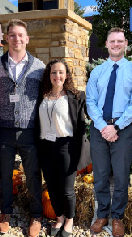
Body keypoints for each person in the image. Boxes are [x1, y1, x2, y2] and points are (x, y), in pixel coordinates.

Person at [0, 19, 45, 237]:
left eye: (21, 35)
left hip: (29, 130)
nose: (16, 39)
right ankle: (5, 213)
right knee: (3, 174)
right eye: (12, 35)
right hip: (3, 129)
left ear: (27, 39)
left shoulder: (39, 67)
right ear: (6, 39)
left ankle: (36, 215)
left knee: (32, 175)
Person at [86, 27, 132, 237]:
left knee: (121, 177)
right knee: (100, 175)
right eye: (112, 41)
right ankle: (102, 214)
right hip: (99, 129)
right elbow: (91, 102)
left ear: (126, 43)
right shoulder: (97, 72)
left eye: (120, 41)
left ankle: (117, 217)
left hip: (123, 130)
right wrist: (103, 126)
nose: (116, 44)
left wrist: (116, 126)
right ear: (107, 44)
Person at [36, 60, 87, 237]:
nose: (57, 76)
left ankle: (70, 220)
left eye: (60, 72)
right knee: (51, 186)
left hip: (66, 146)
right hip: (45, 146)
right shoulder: (42, 95)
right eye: (53, 73)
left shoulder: (76, 97)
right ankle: (59, 216)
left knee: (66, 188)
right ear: (48, 75)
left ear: (66, 75)